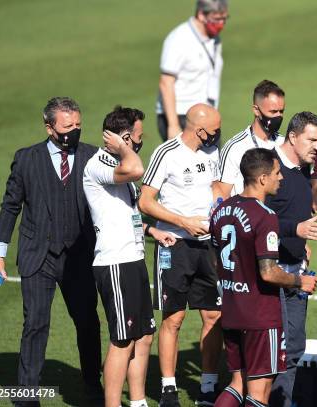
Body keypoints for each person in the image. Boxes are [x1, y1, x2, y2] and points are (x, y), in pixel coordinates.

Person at [0, 97, 102, 405]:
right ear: (49, 127)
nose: (74, 131)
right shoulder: (26, 159)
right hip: (39, 255)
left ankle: (93, 383)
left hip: (80, 256)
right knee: (35, 323)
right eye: (67, 127)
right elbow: (10, 207)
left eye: (78, 125)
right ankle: (27, 394)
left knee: (87, 321)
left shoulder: (94, 156)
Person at [210, 148, 317, 407]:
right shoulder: (266, 216)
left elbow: (216, 261)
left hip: (232, 308)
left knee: (237, 384)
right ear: (262, 179)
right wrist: (300, 281)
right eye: (277, 173)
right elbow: (269, 272)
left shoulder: (222, 210)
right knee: (259, 392)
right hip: (260, 316)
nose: (281, 178)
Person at [83, 107, 176, 407]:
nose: (141, 140)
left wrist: (151, 231)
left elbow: (126, 212)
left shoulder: (120, 162)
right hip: (114, 263)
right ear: (124, 138)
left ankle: (137, 402)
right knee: (122, 340)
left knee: (144, 336)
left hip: (132, 259)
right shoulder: (99, 164)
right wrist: (125, 148)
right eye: (137, 136)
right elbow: (136, 170)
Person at [139, 104, 223, 406]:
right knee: (173, 318)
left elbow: (217, 189)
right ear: (199, 130)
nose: (217, 136)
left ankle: (209, 386)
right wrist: (183, 221)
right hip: (175, 245)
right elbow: (145, 202)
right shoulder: (166, 153)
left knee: (214, 315)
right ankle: (169, 388)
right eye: (214, 131)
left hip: (209, 246)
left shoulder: (213, 153)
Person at [265, 112, 317, 407]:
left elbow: (291, 211)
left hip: (296, 270)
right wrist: (295, 229)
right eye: (312, 139)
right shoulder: (268, 167)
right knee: (276, 350)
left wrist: (300, 242)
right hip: (272, 272)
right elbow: (255, 220)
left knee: (294, 347)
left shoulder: (303, 168)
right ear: (292, 136)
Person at [157, 0, 229, 141]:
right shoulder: (179, 39)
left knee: (212, 162)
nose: (221, 23)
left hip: (206, 114)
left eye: (224, 18)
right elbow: (166, 83)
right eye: (216, 19)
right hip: (182, 116)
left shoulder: (214, 38)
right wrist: (173, 125)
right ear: (201, 14)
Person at [218, 80, 285, 197]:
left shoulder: (284, 143)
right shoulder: (235, 147)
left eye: (281, 111)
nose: (278, 116)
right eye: (273, 111)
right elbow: (221, 193)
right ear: (256, 110)